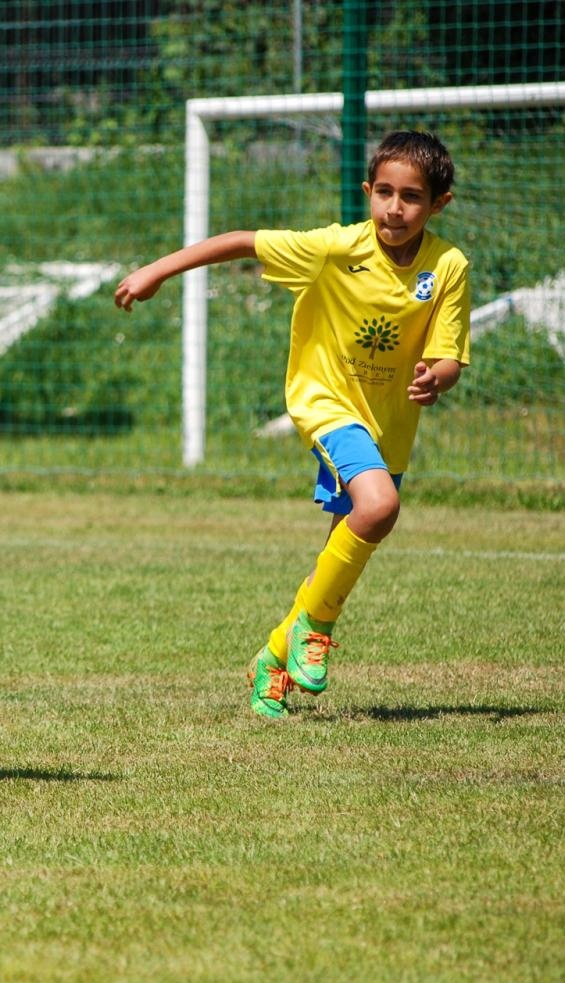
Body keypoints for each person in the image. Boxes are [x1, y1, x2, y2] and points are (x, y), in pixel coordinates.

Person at [114, 129, 471, 719]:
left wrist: (438, 376)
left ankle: (272, 658)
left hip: (390, 428)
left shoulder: (449, 265)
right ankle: (317, 629)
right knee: (379, 508)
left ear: (439, 203)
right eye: (384, 192)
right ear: (367, 191)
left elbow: (450, 352)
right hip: (327, 406)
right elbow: (242, 242)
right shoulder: (335, 248)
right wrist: (158, 270)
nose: (394, 208)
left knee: (340, 551)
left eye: (411, 196)